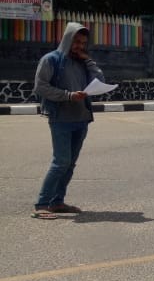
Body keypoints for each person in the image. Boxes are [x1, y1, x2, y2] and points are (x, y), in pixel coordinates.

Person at [31, 22, 104, 218]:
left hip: (81, 119)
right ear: (67, 39)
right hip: (61, 118)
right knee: (60, 162)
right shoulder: (51, 60)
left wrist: (88, 60)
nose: (80, 46)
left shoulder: (82, 61)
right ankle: (41, 204)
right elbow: (41, 87)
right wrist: (69, 95)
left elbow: (100, 80)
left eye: (83, 43)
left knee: (70, 164)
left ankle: (57, 202)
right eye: (76, 41)